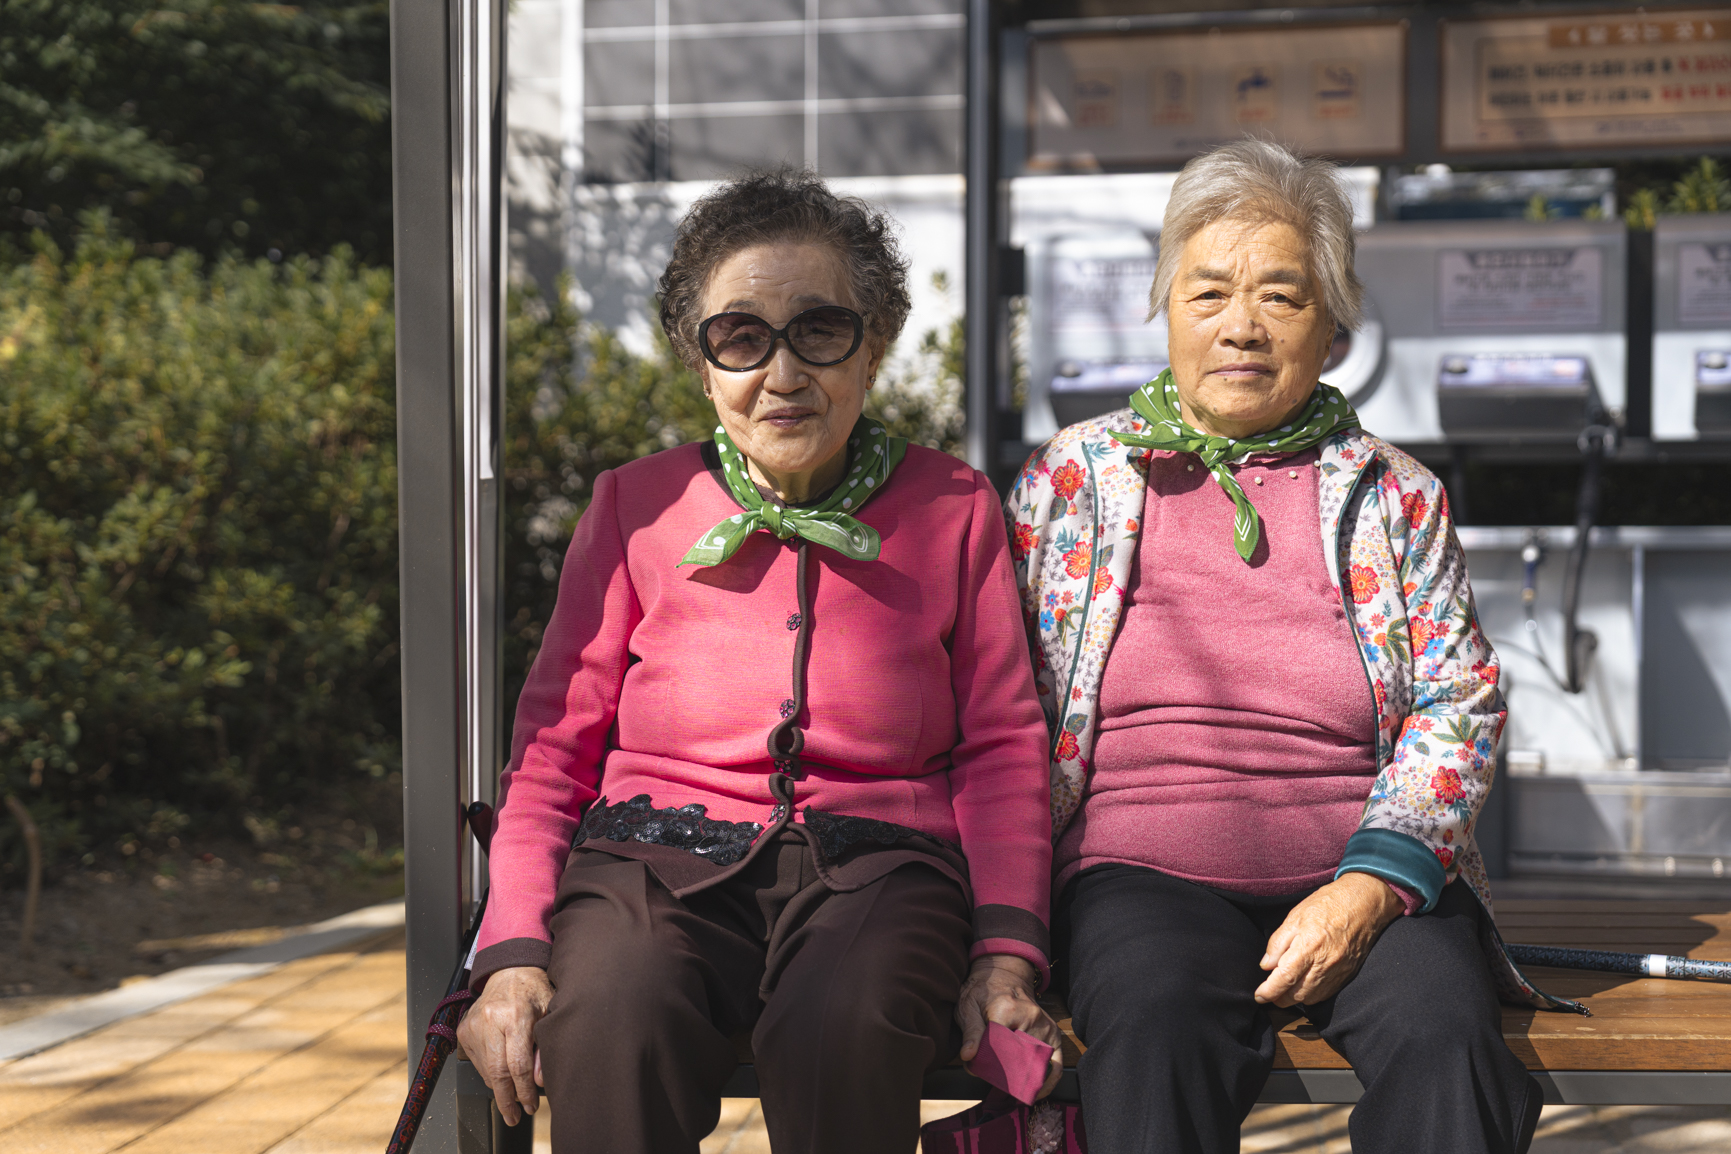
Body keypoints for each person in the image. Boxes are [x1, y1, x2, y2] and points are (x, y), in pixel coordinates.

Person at [457, 168, 1061, 1154]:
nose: (781, 374)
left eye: (820, 331)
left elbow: (1001, 748)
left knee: (845, 1022)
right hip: (649, 858)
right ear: (702, 367)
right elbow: (554, 751)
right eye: (740, 338)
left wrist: (1005, 952)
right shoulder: (633, 505)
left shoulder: (954, 507)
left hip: (882, 865)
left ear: (873, 348)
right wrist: (512, 953)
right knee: (608, 1016)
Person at [1006, 140, 1578, 1154]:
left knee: (1446, 1039)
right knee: (1151, 1029)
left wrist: (1367, 888)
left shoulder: (1394, 493)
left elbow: (1458, 700)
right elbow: (999, 699)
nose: (1242, 325)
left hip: (1363, 871)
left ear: (1331, 325)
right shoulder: (1075, 478)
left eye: (1281, 295)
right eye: (1209, 292)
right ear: (1165, 308)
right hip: (1138, 872)